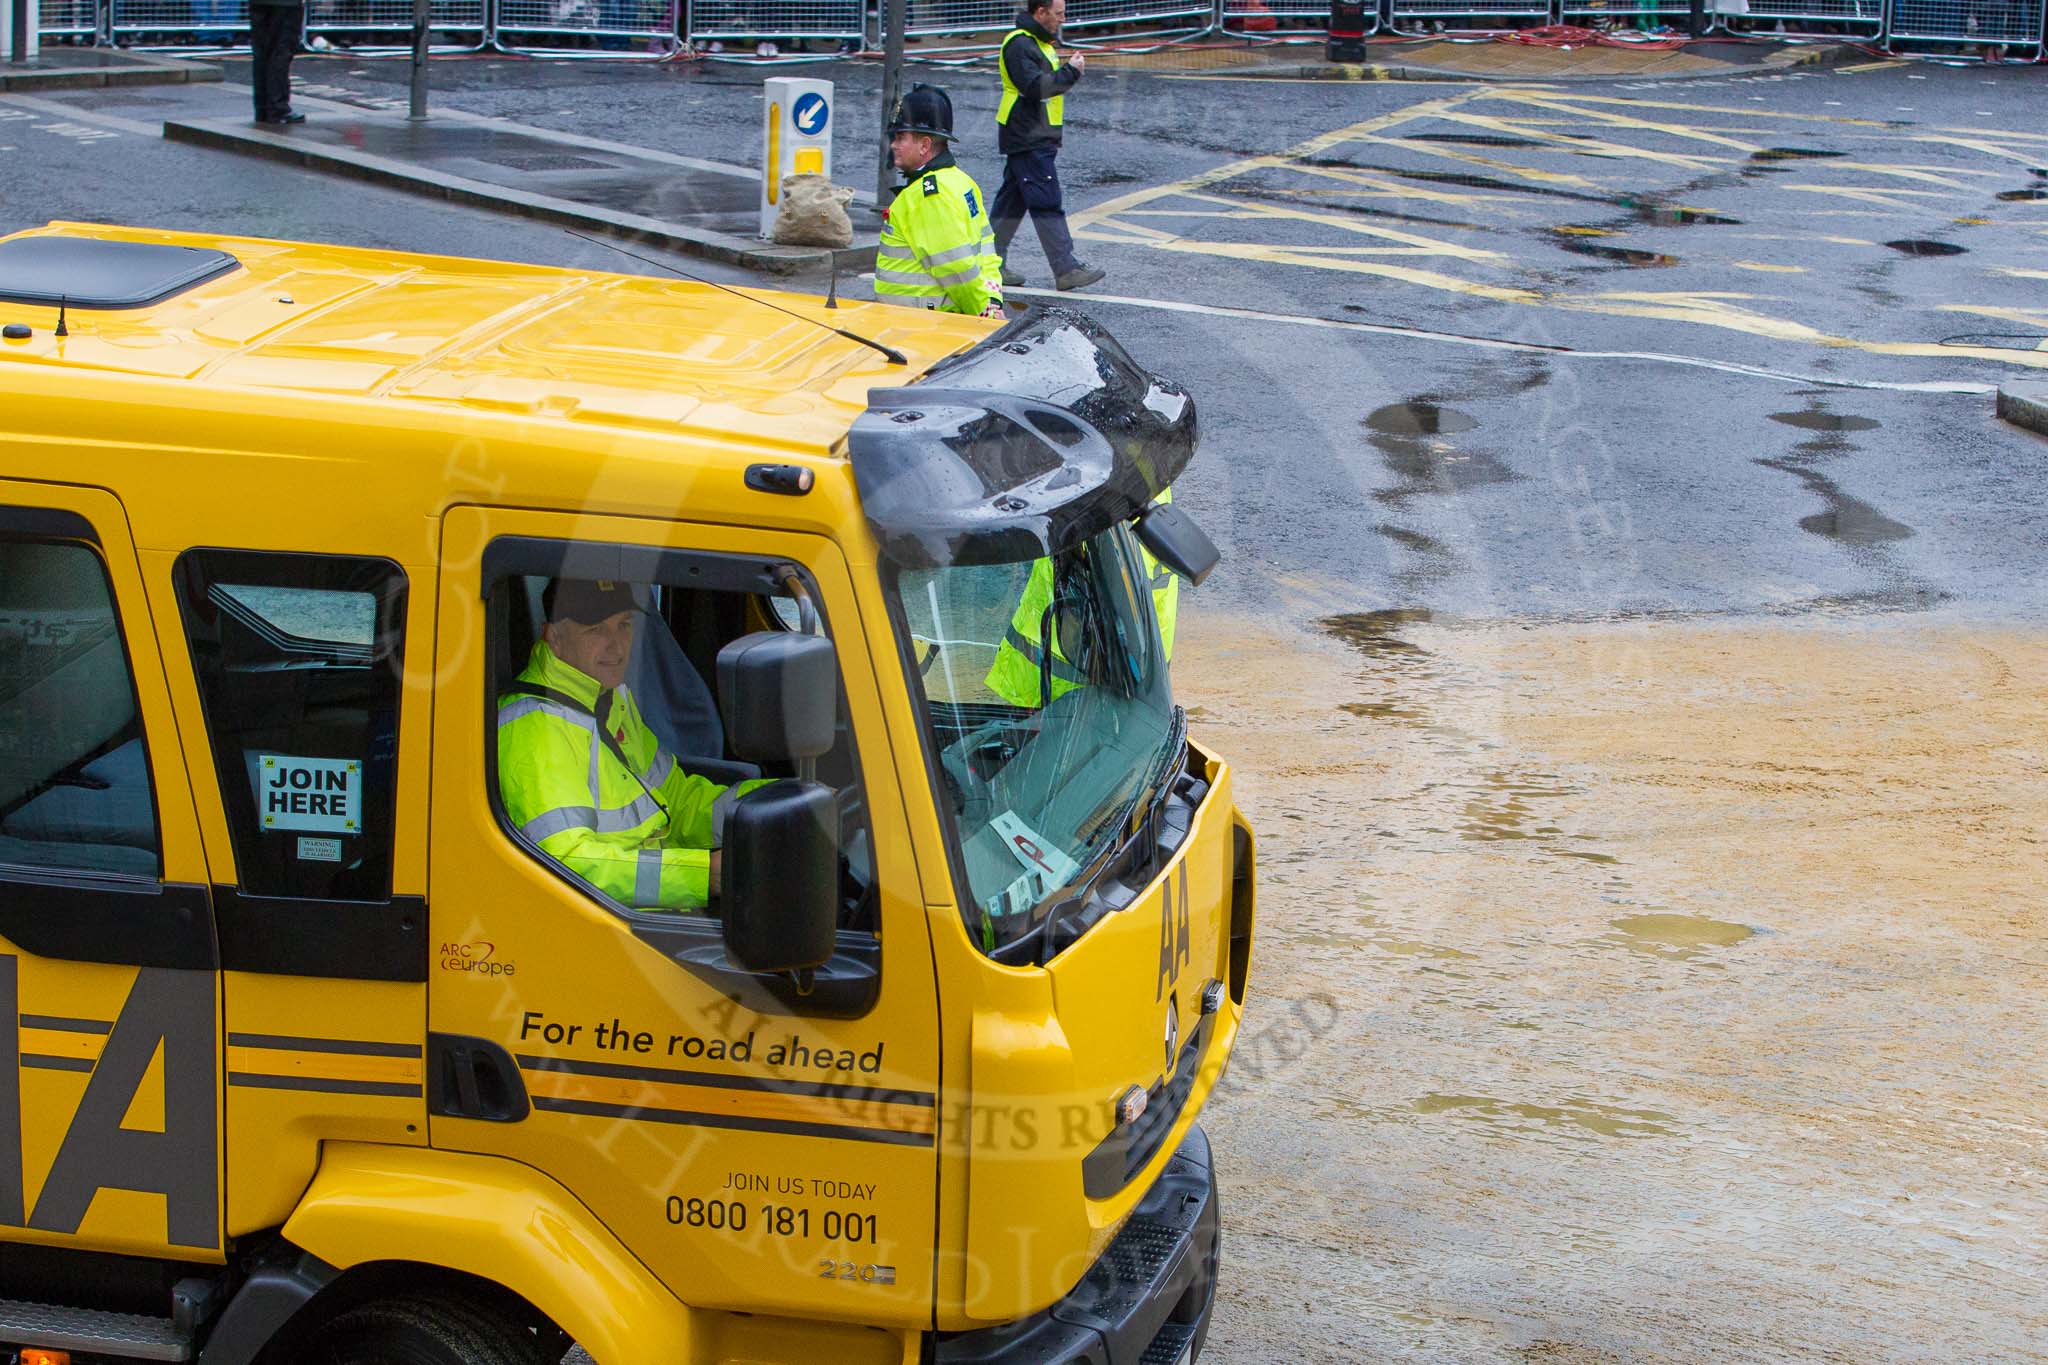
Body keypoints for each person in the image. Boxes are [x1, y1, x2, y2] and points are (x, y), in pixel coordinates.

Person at [497, 579, 766, 912]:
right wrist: (704, 874)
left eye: (623, 625)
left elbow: (677, 800)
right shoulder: (534, 729)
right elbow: (567, 865)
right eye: (595, 630)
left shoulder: (609, 697)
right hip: (606, 930)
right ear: (553, 638)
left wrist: (767, 806)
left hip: (653, 913)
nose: (616, 646)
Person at [992, 0, 1104, 293]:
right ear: (1040, 13)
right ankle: (1065, 268)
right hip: (1027, 135)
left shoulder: (1040, 43)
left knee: (1011, 201)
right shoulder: (1019, 45)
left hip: (1033, 134)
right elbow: (1035, 87)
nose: (1062, 19)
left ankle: (989, 262)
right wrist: (1071, 72)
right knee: (1046, 199)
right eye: (1058, 14)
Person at [875, 85, 1006, 318]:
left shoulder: (927, 197)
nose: (893, 145)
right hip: (938, 318)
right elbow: (986, 248)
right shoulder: (961, 181)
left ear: (925, 145)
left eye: (900, 137)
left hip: (924, 325)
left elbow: (956, 267)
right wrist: (991, 299)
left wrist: (984, 313)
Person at [248, 0, 306, 125]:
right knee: (281, 53)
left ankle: (262, 108)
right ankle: (277, 108)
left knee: (261, 54)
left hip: (259, 3)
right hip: (285, 5)